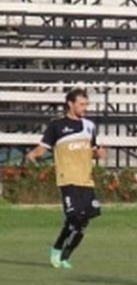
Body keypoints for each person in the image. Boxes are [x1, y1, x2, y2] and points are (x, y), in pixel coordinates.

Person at [24, 89, 106, 269]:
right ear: (70, 103)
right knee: (75, 217)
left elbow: (96, 150)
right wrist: (32, 155)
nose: (85, 108)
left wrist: (100, 153)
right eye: (82, 104)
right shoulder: (56, 126)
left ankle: (64, 256)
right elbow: (42, 148)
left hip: (86, 180)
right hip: (67, 179)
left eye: (86, 104)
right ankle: (57, 250)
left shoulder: (89, 126)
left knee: (82, 222)